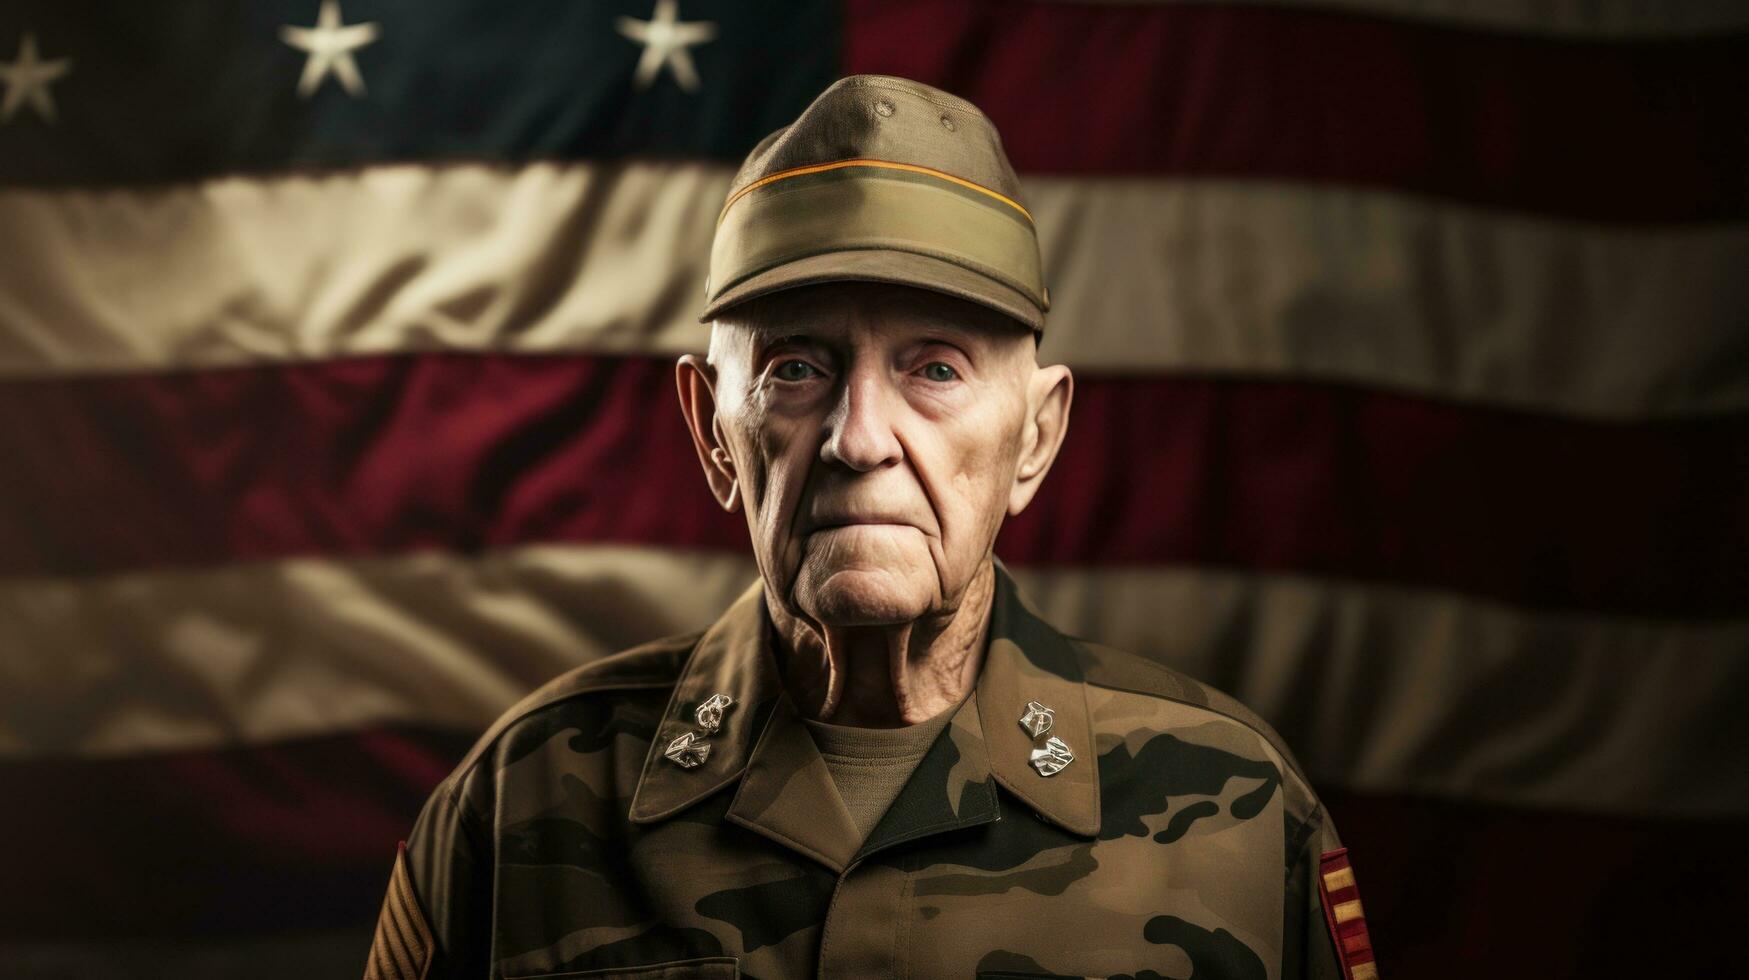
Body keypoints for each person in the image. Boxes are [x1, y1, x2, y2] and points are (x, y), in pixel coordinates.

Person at [362, 74, 1376, 980]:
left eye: (934, 368)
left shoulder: (1235, 812)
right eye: (795, 368)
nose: (859, 437)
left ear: (1036, 436)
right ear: (713, 436)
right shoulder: (519, 801)